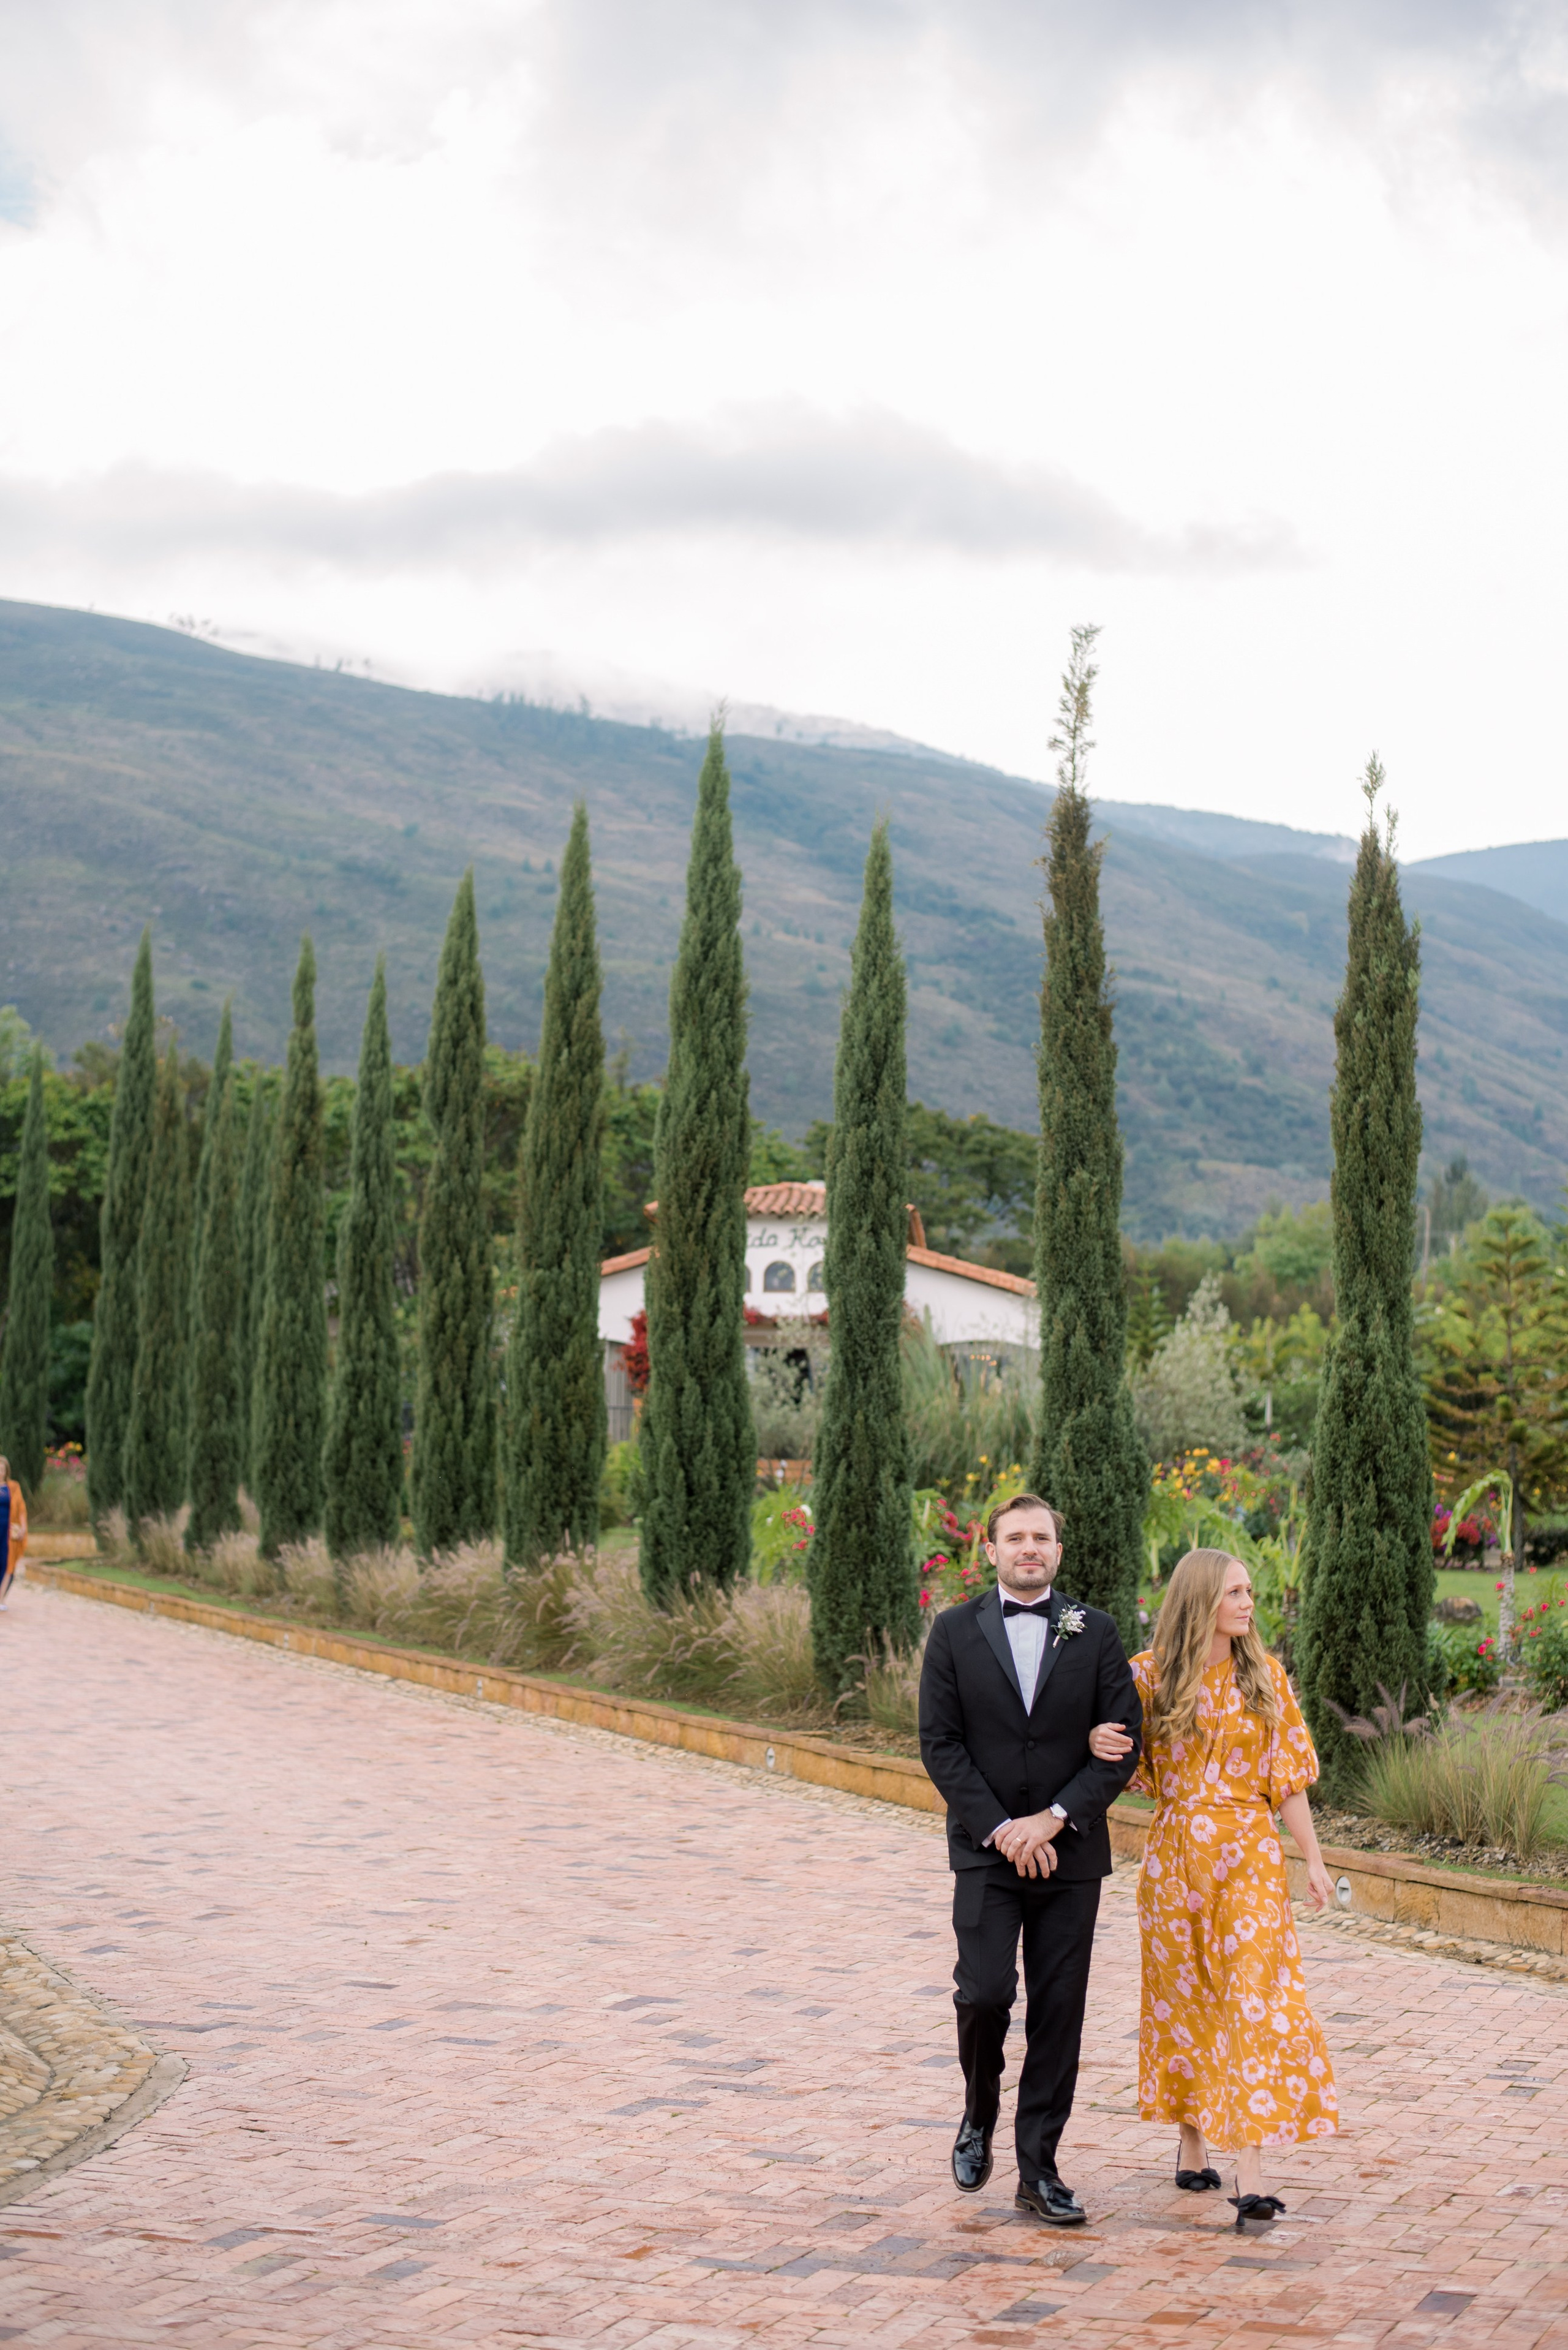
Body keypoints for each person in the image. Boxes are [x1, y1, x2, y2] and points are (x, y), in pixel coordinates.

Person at [1093, 1547, 1337, 2229]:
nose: (1248, 1602)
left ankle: (1251, 2172)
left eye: (1250, 1591)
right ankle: (1192, 2138)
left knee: (1253, 2001)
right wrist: (1093, 1733)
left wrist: (1312, 1858)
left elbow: (1285, 1777)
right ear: (1201, 1597)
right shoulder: (1147, 1677)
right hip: (1174, 1863)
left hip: (1249, 1858)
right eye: (1235, 1591)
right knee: (1184, 1999)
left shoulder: (1265, 1675)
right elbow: (1111, 1752)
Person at [918, 1493, 1143, 2226]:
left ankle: (1038, 2168)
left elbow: (1120, 1744)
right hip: (987, 1853)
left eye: (1041, 1536)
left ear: (1057, 1549)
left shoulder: (1097, 1632)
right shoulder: (952, 1632)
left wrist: (1049, 1820)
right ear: (990, 1549)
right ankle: (978, 2109)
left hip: (1069, 1851)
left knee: (1059, 2012)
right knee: (983, 1993)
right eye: (1015, 1536)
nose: (1028, 1547)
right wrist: (1003, 1829)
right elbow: (940, 1744)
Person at [0, 1455, 24, 1611]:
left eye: (1, 1469)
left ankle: (1, 1599)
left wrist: (23, 1528)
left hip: (7, 1533)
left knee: (6, 1563)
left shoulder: (13, 1487)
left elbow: (21, 1509)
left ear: (6, 1471)